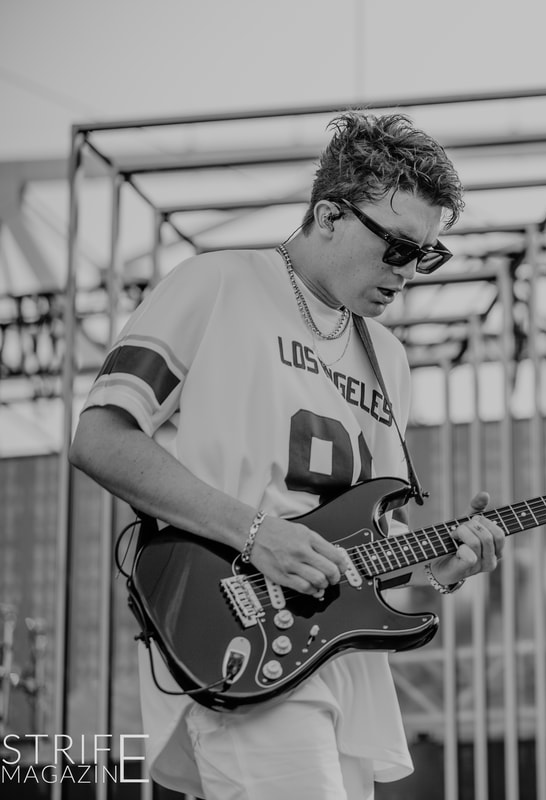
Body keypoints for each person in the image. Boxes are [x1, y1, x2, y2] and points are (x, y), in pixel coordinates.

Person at [69, 111, 505, 800]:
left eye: (425, 255)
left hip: (340, 662)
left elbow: (366, 537)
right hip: (239, 628)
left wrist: (435, 568)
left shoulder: (387, 357)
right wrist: (256, 533)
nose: (407, 273)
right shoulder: (215, 284)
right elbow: (99, 438)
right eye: (397, 247)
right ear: (329, 215)